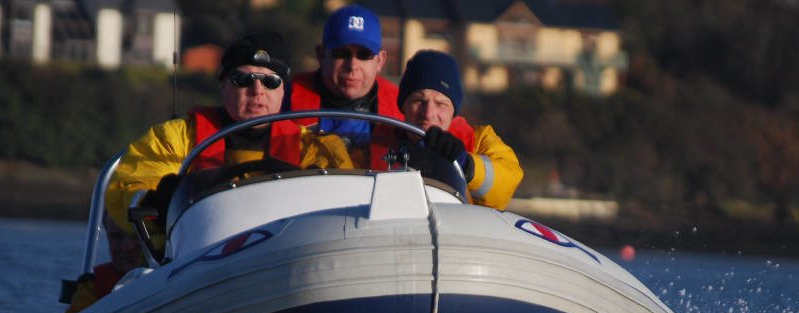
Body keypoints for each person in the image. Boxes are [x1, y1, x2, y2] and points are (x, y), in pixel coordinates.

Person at [106, 30, 353, 234]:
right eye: (242, 79)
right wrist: (161, 199)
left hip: (285, 258)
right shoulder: (174, 138)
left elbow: (345, 209)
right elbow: (126, 189)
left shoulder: (318, 150)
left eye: (271, 81)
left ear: (282, 91)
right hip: (194, 259)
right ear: (223, 84)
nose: (257, 91)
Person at [397, 50, 522, 210]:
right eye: (419, 101)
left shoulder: (480, 141)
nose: (428, 114)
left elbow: (508, 181)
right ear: (403, 106)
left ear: (454, 111)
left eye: (440, 103)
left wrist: (466, 165)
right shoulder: (374, 139)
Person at [288, 4, 403, 170]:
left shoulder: (406, 110)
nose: (352, 65)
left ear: (380, 61)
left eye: (364, 55)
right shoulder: (282, 99)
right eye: (341, 53)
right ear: (321, 54)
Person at [62, 212, 143, 313]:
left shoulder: (170, 278)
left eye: (136, 236)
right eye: (116, 237)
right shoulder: (91, 290)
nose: (127, 247)